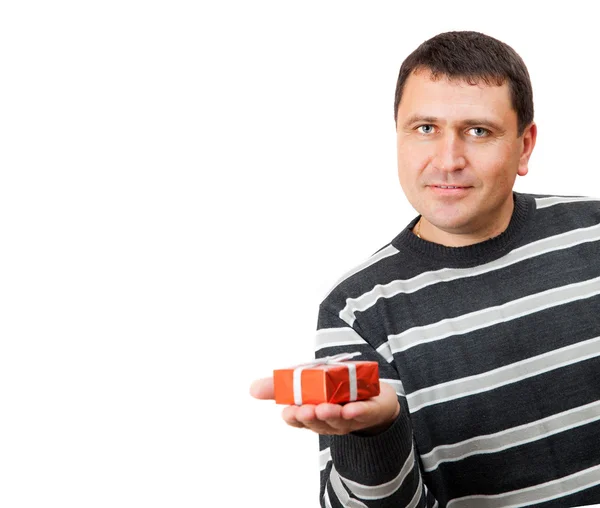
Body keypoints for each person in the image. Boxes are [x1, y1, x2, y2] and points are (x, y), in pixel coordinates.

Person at [250, 30, 600, 507]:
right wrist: (375, 436)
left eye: (478, 131)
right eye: (425, 129)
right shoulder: (356, 310)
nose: (448, 160)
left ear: (524, 146)